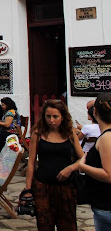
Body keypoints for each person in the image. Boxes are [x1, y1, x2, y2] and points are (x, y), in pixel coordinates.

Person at [25, 99, 83, 231]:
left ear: (63, 117)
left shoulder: (69, 133)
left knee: (67, 225)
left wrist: (71, 168)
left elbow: (83, 159)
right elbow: (31, 161)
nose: (51, 120)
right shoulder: (38, 133)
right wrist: (28, 188)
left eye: (55, 117)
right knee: (45, 225)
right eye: (48, 116)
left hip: (66, 187)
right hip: (43, 186)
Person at [78, 93, 111, 231]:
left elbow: (109, 175)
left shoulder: (106, 137)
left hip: (107, 205)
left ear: (95, 111)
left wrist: (83, 167)